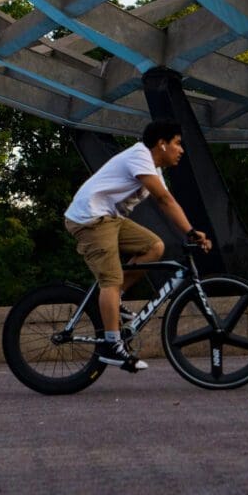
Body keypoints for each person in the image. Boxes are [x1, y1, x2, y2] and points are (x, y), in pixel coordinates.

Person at [64, 120, 212, 372]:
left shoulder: (153, 169)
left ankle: (115, 299)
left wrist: (187, 231)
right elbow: (164, 200)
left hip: (110, 219)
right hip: (90, 218)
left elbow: (168, 203)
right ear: (161, 144)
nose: (181, 150)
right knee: (110, 279)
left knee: (154, 246)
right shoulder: (139, 156)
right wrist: (189, 231)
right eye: (177, 143)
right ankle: (111, 344)